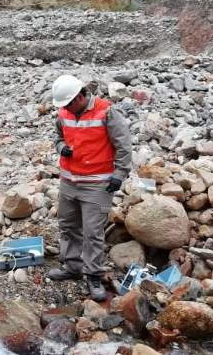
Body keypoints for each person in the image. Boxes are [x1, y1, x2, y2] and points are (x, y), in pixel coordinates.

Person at [47, 74, 132, 301]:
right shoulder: (64, 112)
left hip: (96, 184)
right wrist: (61, 146)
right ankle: (72, 266)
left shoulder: (107, 112)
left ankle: (93, 274)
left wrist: (120, 174)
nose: (65, 108)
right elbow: (57, 136)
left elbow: (123, 144)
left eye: (68, 103)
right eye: (63, 105)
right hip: (69, 181)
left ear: (81, 96)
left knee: (93, 233)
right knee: (67, 225)